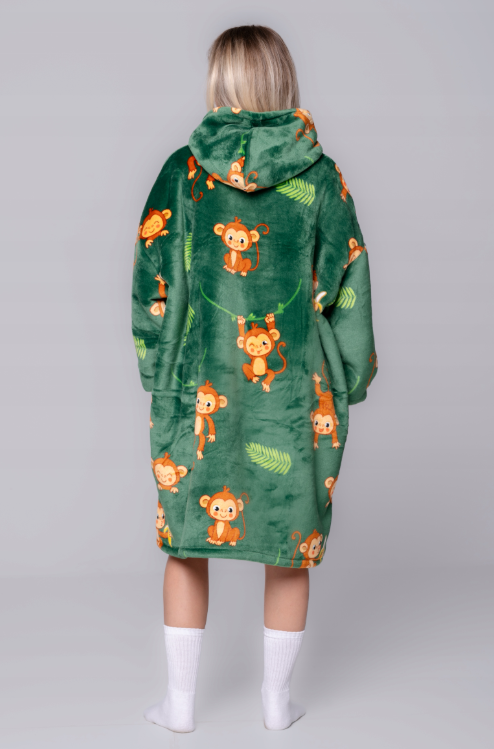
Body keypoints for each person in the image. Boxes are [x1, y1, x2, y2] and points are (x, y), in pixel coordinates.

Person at [132, 25, 378, 733]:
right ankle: (276, 703)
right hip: (292, 400)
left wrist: (155, 367)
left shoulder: (182, 174)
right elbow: (349, 284)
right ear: (282, 79)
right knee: (287, 543)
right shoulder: (321, 177)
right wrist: (351, 378)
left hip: (196, 394)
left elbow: (151, 282)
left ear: (219, 82)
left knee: (187, 543)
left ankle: (180, 705)